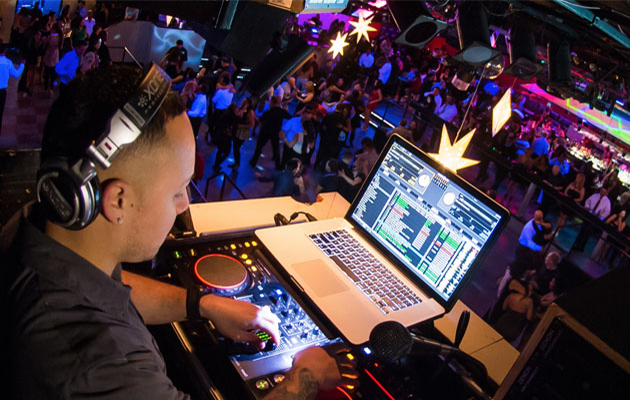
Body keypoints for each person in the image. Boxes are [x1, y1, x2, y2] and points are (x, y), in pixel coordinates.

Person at [3, 64, 356, 399]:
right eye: (177, 190)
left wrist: (202, 304)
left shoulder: (38, 227)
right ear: (118, 201)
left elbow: (110, 290)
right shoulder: (102, 366)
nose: (185, 204)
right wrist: (306, 376)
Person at [250, 95, 292, 170]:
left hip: (265, 131)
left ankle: (253, 161)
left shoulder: (269, 112)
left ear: (272, 102)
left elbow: (260, 119)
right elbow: (290, 117)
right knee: (276, 148)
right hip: (275, 132)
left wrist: (254, 116)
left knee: (259, 146)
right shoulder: (282, 112)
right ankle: (278, 166)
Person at [0, 44, 25, 136]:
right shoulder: (8, 62)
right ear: (5, 51)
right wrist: (22, 65)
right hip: (1, 92)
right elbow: (16, 74)